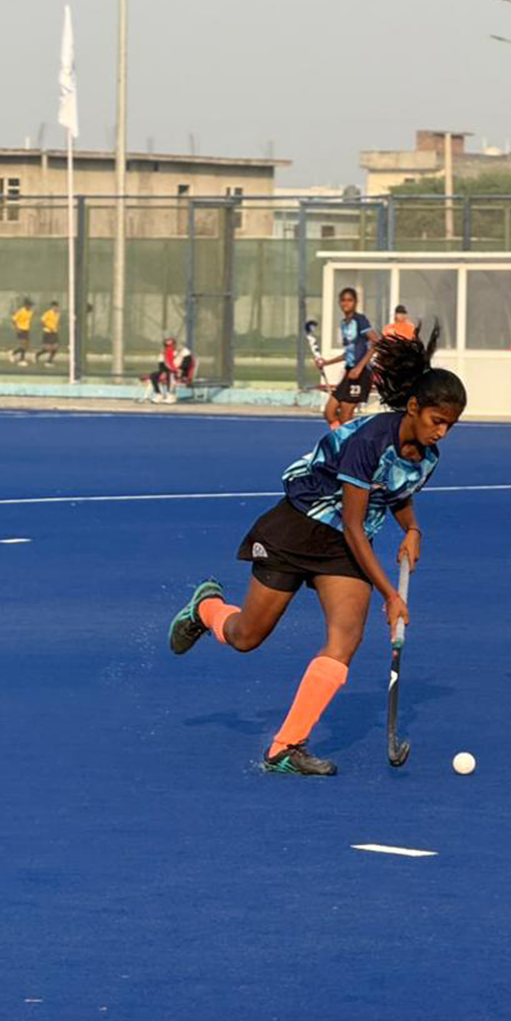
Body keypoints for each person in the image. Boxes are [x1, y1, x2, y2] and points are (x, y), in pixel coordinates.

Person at [167, 328, 466, 775]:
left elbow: (397, 493)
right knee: (246, 637)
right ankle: (206, 608)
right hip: (298, 529)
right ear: (413, 408)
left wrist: (413, 529)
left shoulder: (427, 457)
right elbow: (351, 521)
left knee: (346, 639)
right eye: (435, 421)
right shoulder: (369, 441)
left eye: (450, 425)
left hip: (342, 548)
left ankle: (285, 748)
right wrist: (390, 593)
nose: (441, 432)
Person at [325, 287, 375, 429]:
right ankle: (343, 440)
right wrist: (326, 363)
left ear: (355, 302)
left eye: (349, 300)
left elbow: (376, 342)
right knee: (329, 413)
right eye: (343, 300)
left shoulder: (360, 320)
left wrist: (359, 367)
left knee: (345, 417)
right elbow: (349, 353)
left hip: (361, 374)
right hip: (349, 372)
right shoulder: (344, 323)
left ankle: (350, 446)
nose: (346, 303)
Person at [9, 298, 34, 365]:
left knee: (26, 346)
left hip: (26, 330)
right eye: (29, 305)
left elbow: (28, 321)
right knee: (23, 344)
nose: (30, 307)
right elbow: (14, 320)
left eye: (31, 305)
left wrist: (28, 328)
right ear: (25, 305)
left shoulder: (30, 312)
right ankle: (21, 360)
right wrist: (17, 328)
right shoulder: (21, 311)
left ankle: (13, 353)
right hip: (21, 329)